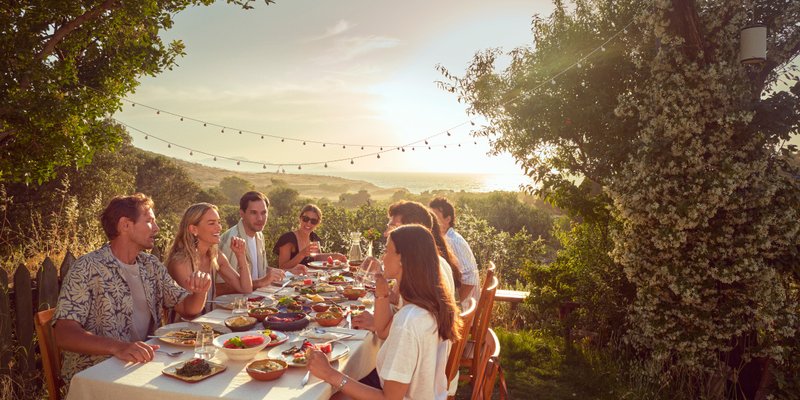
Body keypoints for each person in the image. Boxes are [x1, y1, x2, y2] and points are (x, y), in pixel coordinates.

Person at [53, 193, 211, 385]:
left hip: (144, 366)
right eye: (149, 221)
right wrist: (118, 348)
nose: (157, 228)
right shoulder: (87, 268)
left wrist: (201, 291)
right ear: (125, 225)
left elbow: (187, 308)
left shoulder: (150, 264)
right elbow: (64, 333)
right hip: (97, 375)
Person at [306, 224, 462, 400]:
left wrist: (330, 374)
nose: (382, 257)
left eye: (387, 251)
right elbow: (382, 331)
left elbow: (390, 398)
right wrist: (382, 292)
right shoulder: (429, 305)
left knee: (326, 394)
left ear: (403, 259)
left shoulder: (409, 321)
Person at [353, 200, 459, 339]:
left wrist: (377, 321)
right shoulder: (428, 263)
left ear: (410, 231)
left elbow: (400, 328)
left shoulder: (425, 275)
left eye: (392, 228)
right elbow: (401, 304)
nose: (386, 233)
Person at [165, 203, 253, 315]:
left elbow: (245, 289)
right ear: (193, 229)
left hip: (208, 324)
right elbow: (190, 311)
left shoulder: (215, 255)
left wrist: (241, 255)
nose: (219, 227)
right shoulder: (181, 262)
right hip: (183, 328)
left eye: (219, 222)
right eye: (212, 223)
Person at [218, 191, 299, 295]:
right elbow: (219, 288)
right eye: (253, 213)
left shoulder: (259, 234)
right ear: (242, 213)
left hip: (258, 300)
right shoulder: (230, 241)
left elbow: (260, 270)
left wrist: (288, 272)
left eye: (263, 213)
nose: (260, 218)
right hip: (234, 307)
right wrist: (261, 282)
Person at [429, 197, 480, 307]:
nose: (431, 221)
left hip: (465, 308)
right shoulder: (445, 239)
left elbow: (470, 278)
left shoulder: (453, 241)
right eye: (430, 217)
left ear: (448, 219)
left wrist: (454, 306)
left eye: (435, 217)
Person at [273, 204, 345, 270]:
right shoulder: (288, 239)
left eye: (313, 221)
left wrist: (337, 256)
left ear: (318, 224)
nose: (308, 223)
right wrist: (302, 254)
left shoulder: (314, 237)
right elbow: (282, 267)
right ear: (300, 218)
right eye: (305, 219)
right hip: (290, 282)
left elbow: (317, 258)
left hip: (310, 281)